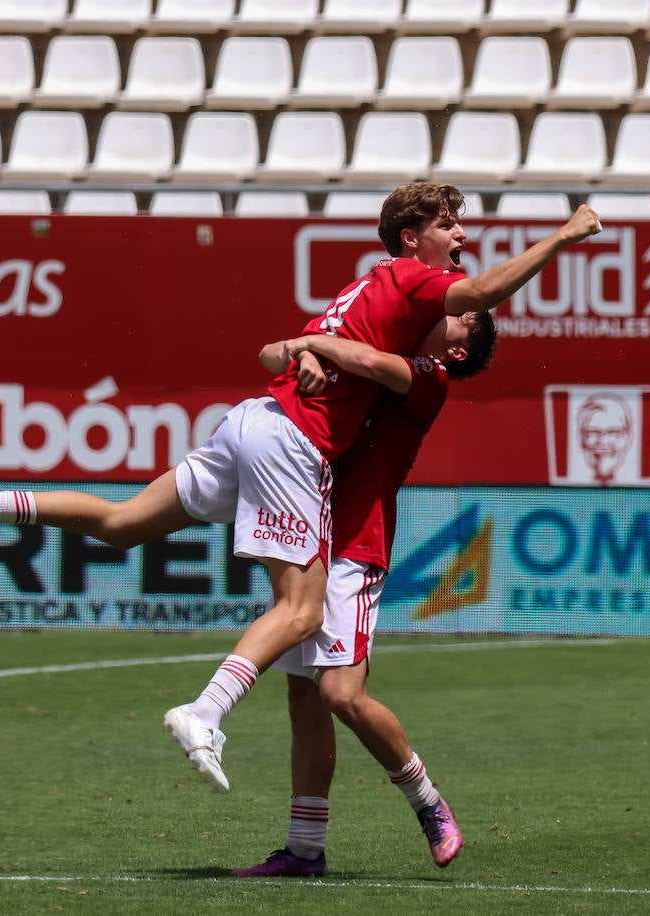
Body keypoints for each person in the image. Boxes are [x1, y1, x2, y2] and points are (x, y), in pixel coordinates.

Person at [0, 183, 602, 785]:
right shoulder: (410, 280)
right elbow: (481, 290)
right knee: (301, 612)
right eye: (449, 225)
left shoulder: (369, 290)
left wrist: (308, 355)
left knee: (122, 525)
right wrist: (566, 234)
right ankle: (203, 714)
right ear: (412, 237)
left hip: (255, 417)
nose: (462, 236)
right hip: (293, 441)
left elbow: (276, 350)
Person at [232, 319, 494, 877]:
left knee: (341, 693)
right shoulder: (374, 342)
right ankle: (304, 849)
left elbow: (369, 365)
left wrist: (308, 345)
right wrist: (296, 354)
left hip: (356, 542)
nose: (448, 301)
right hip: (309, 533)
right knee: (303, 700)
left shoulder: (427, 377)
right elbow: (268, 352)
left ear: (456, 349)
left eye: (464, 313)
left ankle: (429, 805)